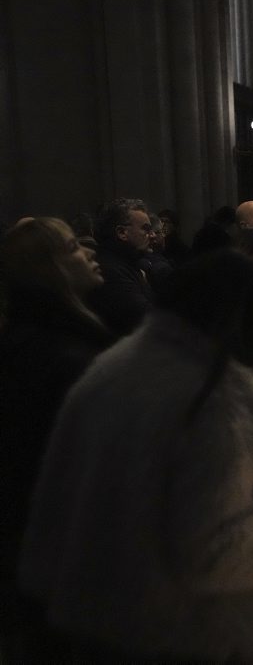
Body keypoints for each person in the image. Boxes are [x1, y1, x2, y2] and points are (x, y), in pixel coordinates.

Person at [16, 249, 253, 662]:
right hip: (189, 630)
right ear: (231, 320)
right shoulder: (210, 399)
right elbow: (210, 552)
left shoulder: (118, 365)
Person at [0, 217, 113, 658]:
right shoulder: (62, 357)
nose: (87, 252)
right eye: (72, 248)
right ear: (50, 269)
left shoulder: (40, 342)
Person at [89, 197, 156, 336]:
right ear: (122, 233)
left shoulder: (129, 264)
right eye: (146, 229)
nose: (153, 235)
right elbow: (147, 319)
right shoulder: (109, 270)